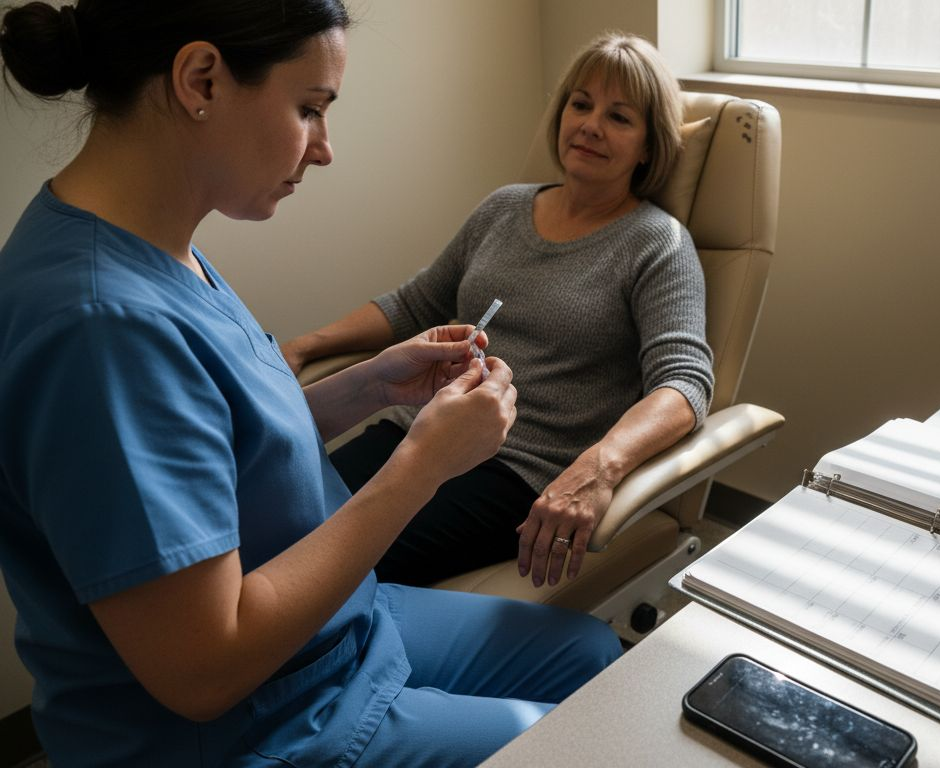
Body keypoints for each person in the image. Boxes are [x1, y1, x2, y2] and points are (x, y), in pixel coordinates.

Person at [0, 3, 621, 766]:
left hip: (333, 635)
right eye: (309, 109)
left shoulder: (158, 249)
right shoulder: (99, 325)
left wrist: (370, 388)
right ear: (201, 79)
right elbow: (203, 670)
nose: (324, 149)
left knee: (591, 656)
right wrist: (423, 465)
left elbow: (209, 441)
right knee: (585, 745)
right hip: (256, 722)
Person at [282, 31, 714, 590]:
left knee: (324, 567)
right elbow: (417, 303)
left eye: (619, 117)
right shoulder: (504, 208)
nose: (589, 125)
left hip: (516, 471)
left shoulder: (658, 243)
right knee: (276, 519)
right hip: (420, 431)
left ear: (649, 146)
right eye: (580, 105)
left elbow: (683, 383)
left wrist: (598, 467)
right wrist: (304, 346)